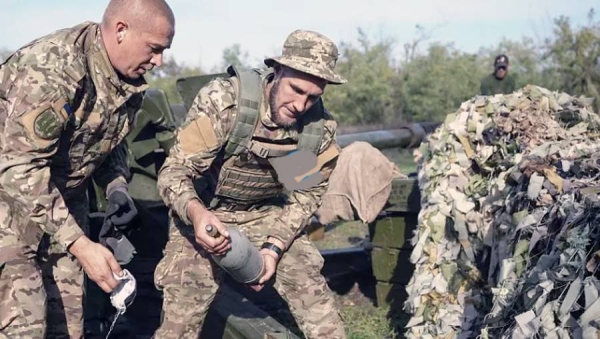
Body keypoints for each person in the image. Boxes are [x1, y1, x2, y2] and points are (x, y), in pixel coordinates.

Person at [154, 30, 348, 339]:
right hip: (205, 213)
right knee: (180, 320)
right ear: (278, 71)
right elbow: (174, 172)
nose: (300, 104)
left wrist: (274, 248)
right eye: (295, 90)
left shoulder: (314, 129)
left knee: (316, 300)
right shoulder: (226, 102)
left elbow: (305, 195)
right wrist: (196, 214)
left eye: (313, 97)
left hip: (265, 214)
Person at [0, 0, 175, 337]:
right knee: (26, 328)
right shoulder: (51, 70)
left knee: (70, 328)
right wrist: (81, 245)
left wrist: (116, 187)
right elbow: (18, 169)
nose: (159, 61)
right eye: (154, 49)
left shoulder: (126, 79)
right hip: (11, 211)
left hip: (65, 210)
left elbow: (109, 139)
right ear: (121, 30)